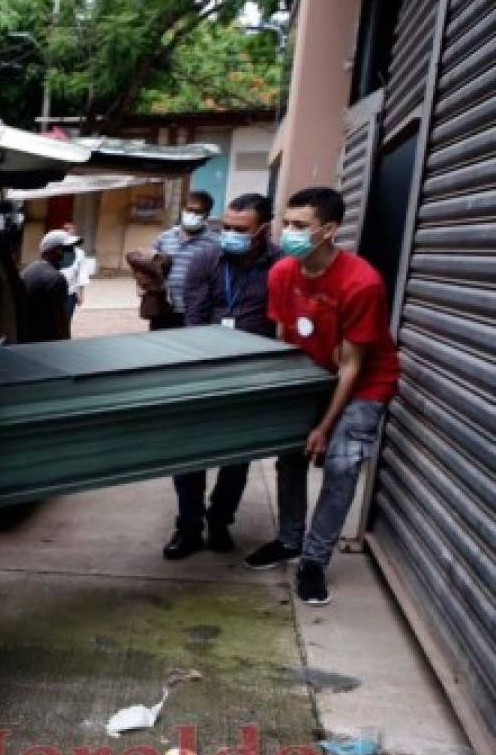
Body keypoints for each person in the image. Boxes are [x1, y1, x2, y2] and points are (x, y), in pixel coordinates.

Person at [244, 187, 401, 606]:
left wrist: (325, 426)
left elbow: (351, 366)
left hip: (364, 380)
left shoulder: (361, 283)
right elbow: (284, 339)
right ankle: (290, 539)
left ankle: (314, 560)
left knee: (342, 463)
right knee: (290, 454)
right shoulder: (282, 273)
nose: (288, 233)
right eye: (286, 223)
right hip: (311, 371)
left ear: (329, 230)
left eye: (300, 226)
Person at [161, 193, 281, 560]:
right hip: (204, 365)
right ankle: (189, 525)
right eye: (226, 227)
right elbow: (194, 318)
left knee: (237, 455)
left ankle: (219, 521)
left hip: (252, 372)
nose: (229, 234)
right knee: (188, 451)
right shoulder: (206, 258)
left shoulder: (281, 265)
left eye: (240, 229)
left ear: (263, 229)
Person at [150, 190, 219, 331]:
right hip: (164, 309)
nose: (192, 215)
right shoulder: (165, 237)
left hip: (196, 311)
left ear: (207, 215)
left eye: (198, 212)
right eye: (189, 210)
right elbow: (150, 264)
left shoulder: (214, 242)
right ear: (183, 209)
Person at [20, 229, 77, 341]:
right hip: (46, 341)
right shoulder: (56, 279)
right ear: (55, 251)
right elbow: (60, 321)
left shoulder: (30, 269)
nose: (72, 252)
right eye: (68, 249)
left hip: (28, 336)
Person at [60, 222, 91, 319]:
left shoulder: (79, 253)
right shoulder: (56, 250)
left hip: (70, 292)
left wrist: (81, 294)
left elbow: (82, 274)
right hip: (54, 292)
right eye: (67, 233)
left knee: (67, 319)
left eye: (71, 233)